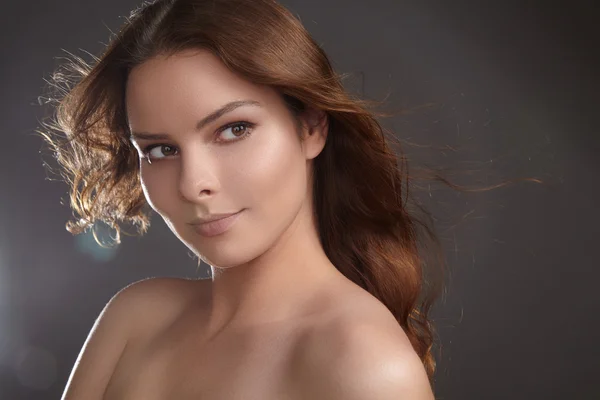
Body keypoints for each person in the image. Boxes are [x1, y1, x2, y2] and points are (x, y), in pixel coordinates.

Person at [40, 0, 444, 398]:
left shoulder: (365, 365)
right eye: (161, 150)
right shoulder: (134, 319)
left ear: (310, 127)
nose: (193, 184)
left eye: (234, 130)